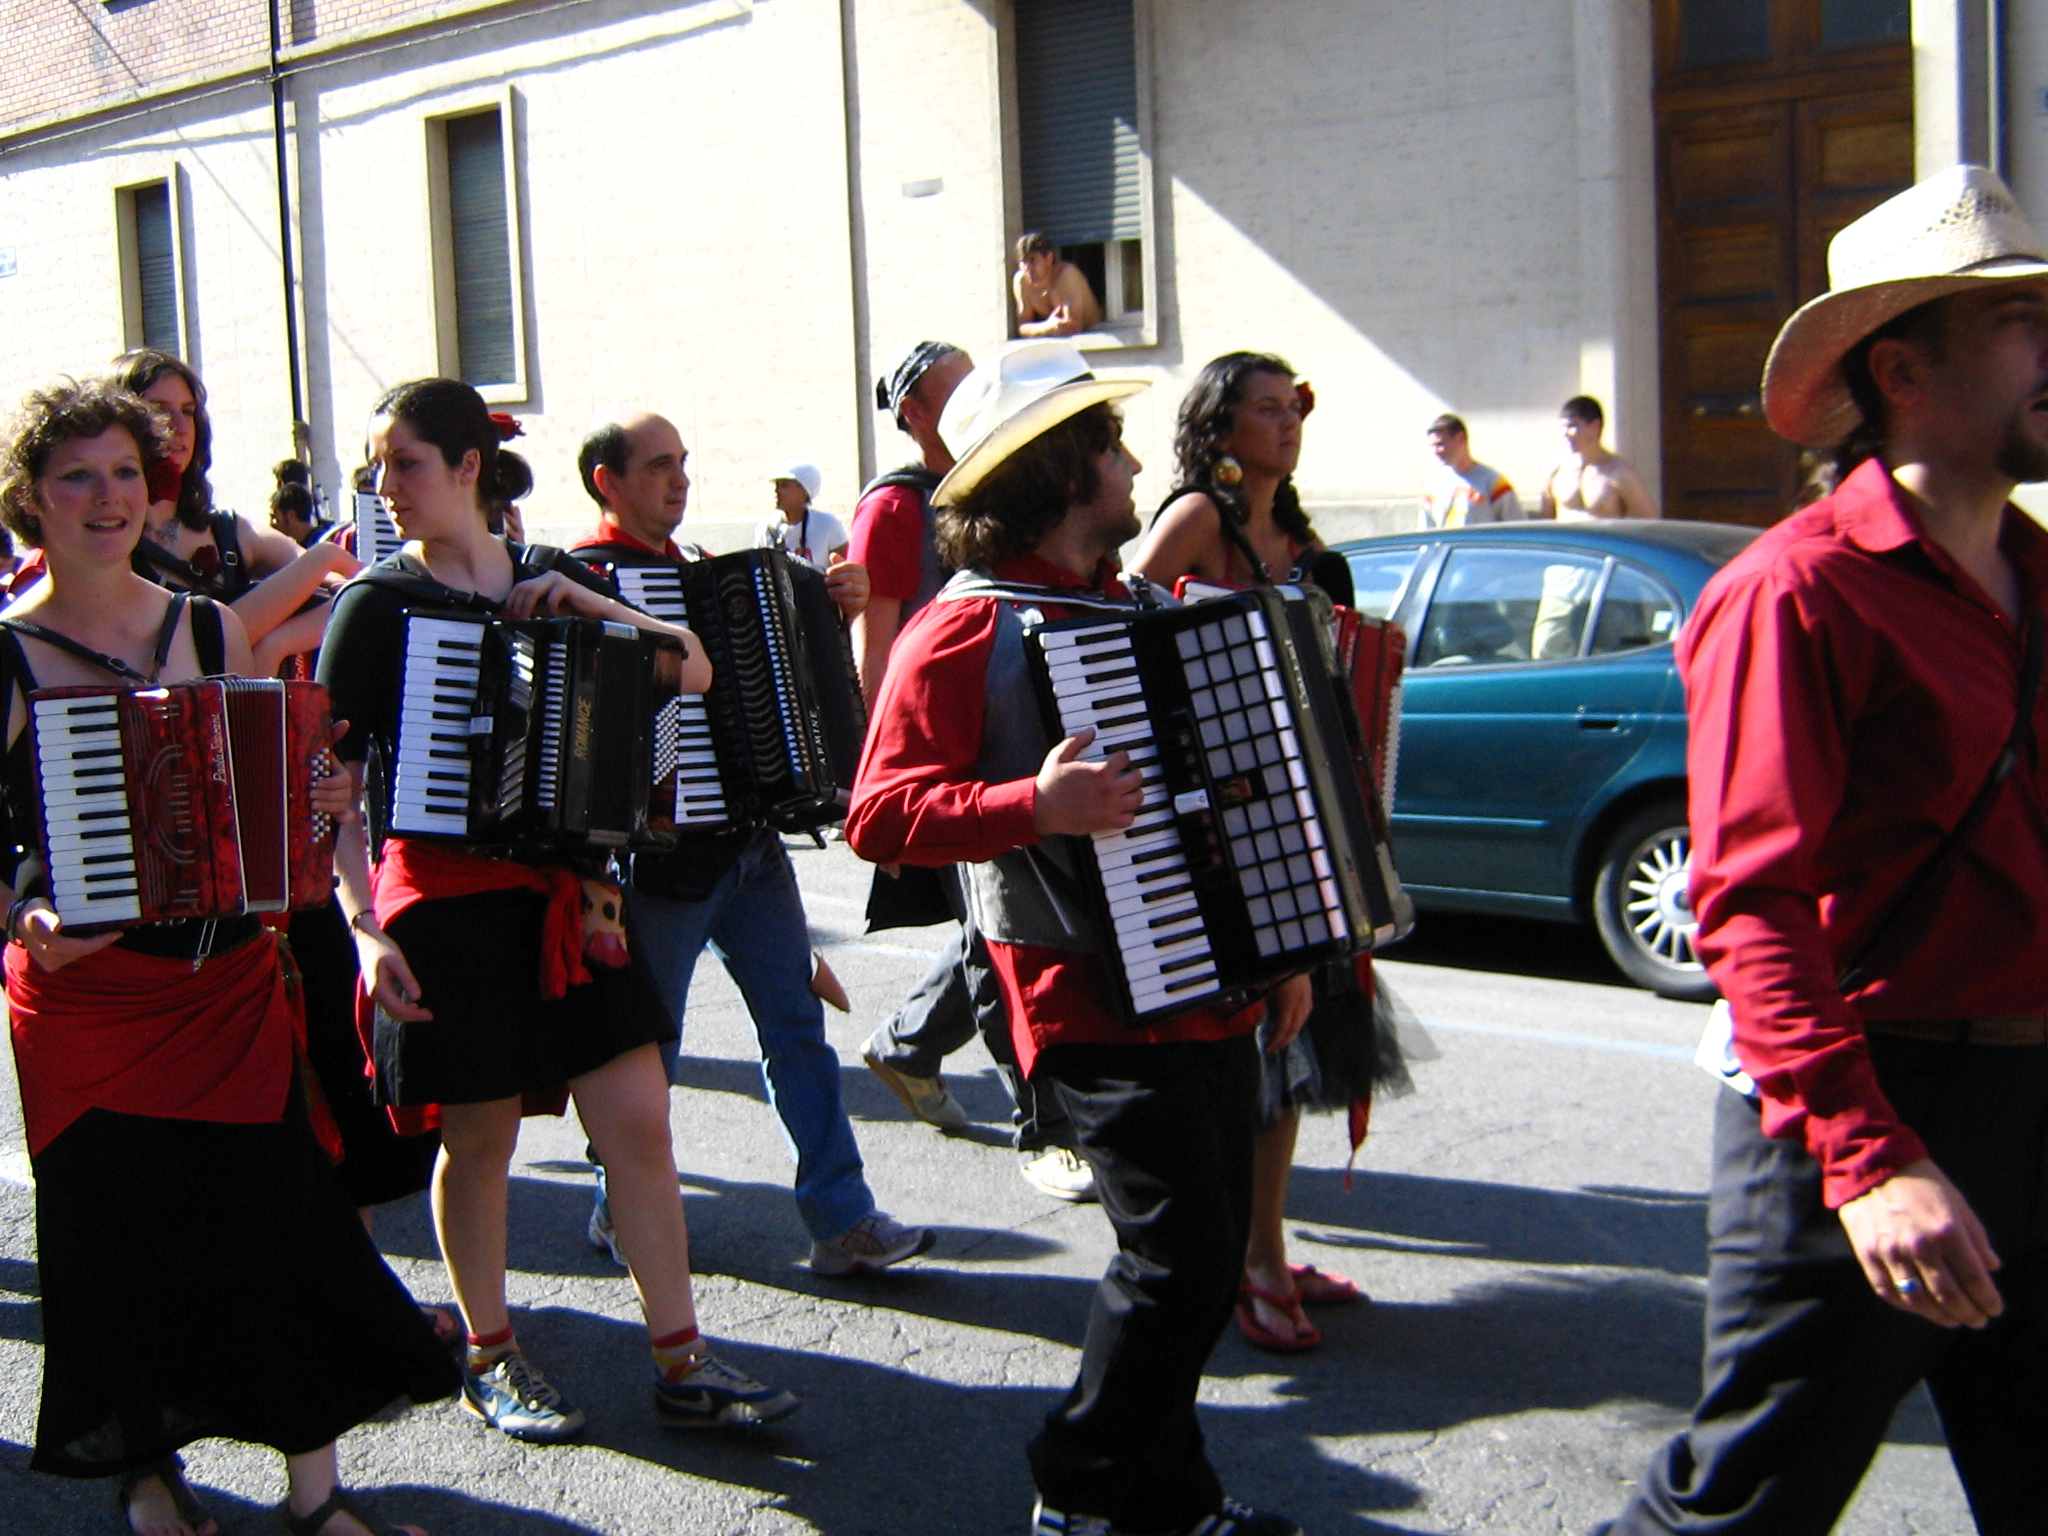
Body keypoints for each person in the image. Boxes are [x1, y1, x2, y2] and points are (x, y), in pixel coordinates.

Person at [1603, 164, 2048, 1535]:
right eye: (2021, 321)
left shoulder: (2037, 570)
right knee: (1744, 1510)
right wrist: (1869, 1159)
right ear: (1905, 369)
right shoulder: (1794, 590)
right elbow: (1753, 905)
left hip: (2030, 1098)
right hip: (1863, 1108)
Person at [848, 338, 1307, 1536]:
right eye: (1105, 447)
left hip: (1204, 976)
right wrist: (1030, 807)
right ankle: (1080, 1484)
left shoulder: (1140, 610)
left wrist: (1287, 947)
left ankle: (1176, 1500)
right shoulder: (963, 631)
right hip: (1075, 987)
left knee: (1194, 1263)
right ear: (1058, 475)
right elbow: (878, 815)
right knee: (1178, 1261)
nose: (1130, 461)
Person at [0, 376, 455, 1536]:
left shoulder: (210, 628)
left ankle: (316, 1499)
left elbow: (277, 798)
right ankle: (150, 1480)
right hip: (89, 1003)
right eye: (76, 478)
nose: (106, 497)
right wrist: (22, 912)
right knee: (117, 1245)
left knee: (278, 1225)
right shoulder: (7, 657)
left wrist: (326, 796)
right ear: (31, 501)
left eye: (120, 472)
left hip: (230, 985)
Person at [318, 378, 801, 1444]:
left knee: (637, 1114)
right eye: (377, 468)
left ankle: (682, 1358)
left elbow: (694, 671)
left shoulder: (551, 575)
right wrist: (363, 928)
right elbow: (330, 788)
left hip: (570, 897)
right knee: (481, 1132)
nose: (385, 487)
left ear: (464, 470)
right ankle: (492, 1353)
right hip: (441, 894)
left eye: (403, 463)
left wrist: (586, 603)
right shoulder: (377, 602)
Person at [567, 412, 935, 1277]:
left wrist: (827, 605)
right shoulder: (582, 580)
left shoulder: (707, 575)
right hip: (655, 864)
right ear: (606, 482)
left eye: (684, 464)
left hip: (752, 848)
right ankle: (618, 1203)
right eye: (658, 466)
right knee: (647, 1053)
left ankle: (841, 1221)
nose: (679, 480)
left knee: (798, 1033)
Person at [1128, 353, 1378, 1353]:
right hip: (1228, 828)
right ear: (1218, 428)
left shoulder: (1302, 542)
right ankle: (1253, 1258)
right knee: (1266, 1052)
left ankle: (1261, 1242)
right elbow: (1126, 635)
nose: (1285, 424)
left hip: (1303, 817)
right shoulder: (1195, 518)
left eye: (1292, 407)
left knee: (1301, 1049)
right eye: (1264, 410)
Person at [851, 343, 1088, 1199]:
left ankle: (908, 1043)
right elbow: (878, 646)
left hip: (1008, 733)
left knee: (988, 936)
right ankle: (1045, 1128)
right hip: (948, 748)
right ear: (915, 412)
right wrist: (887, 759)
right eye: (951, 389)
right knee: (996, 940)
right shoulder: (894, 507)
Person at [110, 352, 360, 673]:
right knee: (324, 556)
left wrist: (276, 644)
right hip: (156, 697)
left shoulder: (230, 532)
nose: (179, 427)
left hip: (243, 714)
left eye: (188, 411)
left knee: (326, 563)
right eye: (159, 411)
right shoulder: (103, 540)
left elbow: (351, 593)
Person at [1537, 395, 1656, 520]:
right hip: (1567, 538)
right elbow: (1546, 521)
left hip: (1602, 538)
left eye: (1573, 426)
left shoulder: (1619, 473)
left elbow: (1649, 520)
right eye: (1563, 427)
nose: (1565, 434)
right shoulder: (1554, 469)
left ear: (1595, 426)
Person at [1422, 413, 1524, 527]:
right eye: (1433, 446)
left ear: (1461, 438)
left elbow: (1517, 527)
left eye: (1441, 444)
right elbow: (1425, 530)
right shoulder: (1433, 484)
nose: (1436, 452)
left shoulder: (1493, 482)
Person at [755, 459, 846, 571]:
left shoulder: (828, 525)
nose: (777, 490)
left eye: (784, 485)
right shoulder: (765, 530)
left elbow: (844, 568)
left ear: (805, 490)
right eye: (777, 485)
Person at [1011, 233, 1103, 339]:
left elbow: (1073, 327)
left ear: (1049, 258)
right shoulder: (1021, 281)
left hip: (1096, 333)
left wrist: (1041, 329)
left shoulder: (1067, 275)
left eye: (1033, 260)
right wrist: (1047, 327)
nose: (1028, 268)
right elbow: (1023, 328)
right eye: (1023, 261)